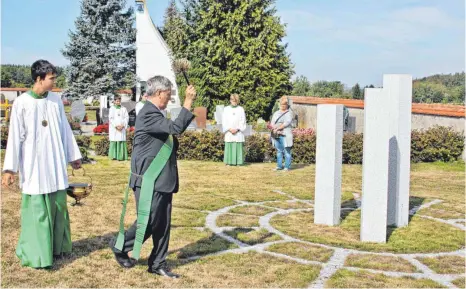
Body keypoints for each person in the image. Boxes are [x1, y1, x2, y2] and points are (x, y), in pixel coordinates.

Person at [111, 76, 196, 279]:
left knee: (162, 223)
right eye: (168, 95)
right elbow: (175, 128)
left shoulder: (155, 112)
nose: (169, 98)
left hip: (162, 178)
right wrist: (188, 102)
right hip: (149, 178)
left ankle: (158, 263)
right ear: (159, 93)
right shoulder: (148, 113)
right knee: (148, 221)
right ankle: (119, 246)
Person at [1, 59, 82, 269]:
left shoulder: (55, 100)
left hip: (55, 163)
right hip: (34, 164)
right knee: (38, 210)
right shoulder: (22, 103)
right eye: (51, 78)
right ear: (39, 79)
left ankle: (57, 248)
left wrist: (73, 155)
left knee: (57, 206)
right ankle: (37, 254)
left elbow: (65, 129)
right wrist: (10, 169)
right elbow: (15, 136)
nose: (55, 81)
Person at [221, 94, 246, 165]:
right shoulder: (226, 109)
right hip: (229, 132)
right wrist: (229, 129)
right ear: (230, 100)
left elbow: (243, 121)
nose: (234, 102)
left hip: (238, 132)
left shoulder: (241, 109)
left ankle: (238, 162)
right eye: (232, 100)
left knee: (237, 145)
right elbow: (224, 121)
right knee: (229, 145)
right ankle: (229, 162)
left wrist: (237, 129)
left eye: (235, 101)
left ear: (237, 101)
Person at [270, 96, 293, 171]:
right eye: (282, 104)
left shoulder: (289, 113)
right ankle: (279, 166)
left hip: (285, 134)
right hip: (277, 134)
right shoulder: (276, 113)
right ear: (279, 104)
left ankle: (287, 166)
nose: (283, 106)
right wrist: (274, 128)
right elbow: (272, 122)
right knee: (279, 151)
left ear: (287, 105)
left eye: (284, 104)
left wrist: (278, 128)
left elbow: (287, 122)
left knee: (287, 151)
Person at [108, 96, 129, 161]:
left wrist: (123, 125)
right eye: (116, 101)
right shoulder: (112, 108)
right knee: (114, 140)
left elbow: (126, 117)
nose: (118, 102)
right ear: (114, 101)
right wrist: (116, 126)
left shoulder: (124, 108)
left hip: (122, 127)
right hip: (114, 128)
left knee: (121, 140)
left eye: (119, 101)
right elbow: (111, 118)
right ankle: (113, 156)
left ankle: (121, 156)